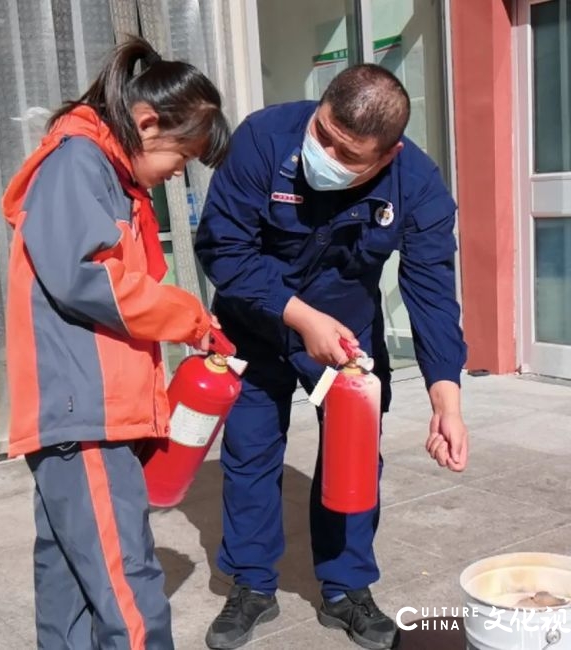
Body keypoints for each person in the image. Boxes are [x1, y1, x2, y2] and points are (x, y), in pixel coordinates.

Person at [195, 64, 469, 650]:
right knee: (249, 451)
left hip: (345, 333)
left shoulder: (416, 184)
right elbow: (224, 248)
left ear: (388, 155)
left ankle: (346, 589)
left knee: (353, 459)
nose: (326, 153)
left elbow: (432, 293)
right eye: (322, 134)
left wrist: (447, 399)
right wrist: (298, 316)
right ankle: (251, 586)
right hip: (255, 319)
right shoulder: (264, 140)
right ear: (318, 108)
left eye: (349, 153)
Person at [2, 36, 228, 650]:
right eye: (181, 156)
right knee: (129, 586)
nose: (180, 170)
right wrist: (192, 317)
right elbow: (88, 275)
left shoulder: (102, 170)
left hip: (78, 414)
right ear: (147, 122)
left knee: (72, 582)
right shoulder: (80, 162)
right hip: (86, 415)